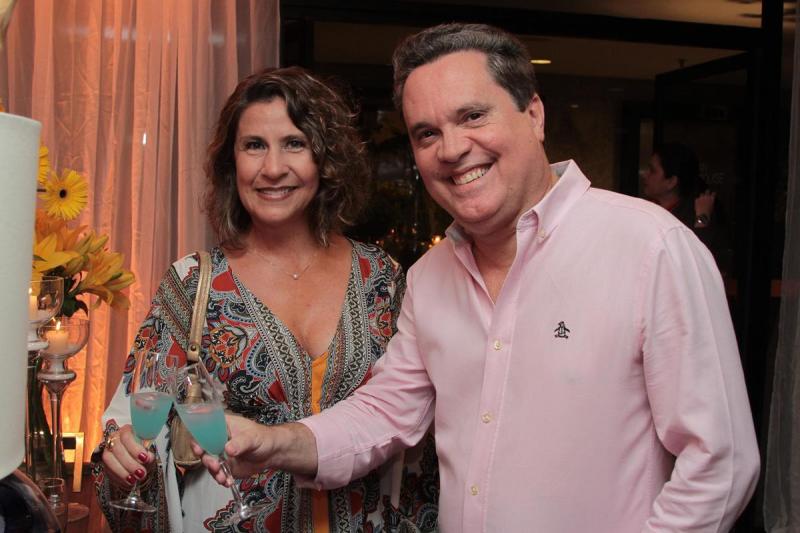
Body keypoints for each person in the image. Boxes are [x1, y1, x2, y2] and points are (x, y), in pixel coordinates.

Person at [201, 24, 760, 532]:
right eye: (426, 133)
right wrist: (272, 442)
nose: (452, 149)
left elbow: (721, 464)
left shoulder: (649, 248)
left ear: (533, 114)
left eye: (472, 116)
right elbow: (385, 412)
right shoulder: (430, 276)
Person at [91, 67, 438, 532]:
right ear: (231, 162)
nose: (273, 168)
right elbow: (136, 415)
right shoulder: (193, 283)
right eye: (254, 145)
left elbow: (417, 433)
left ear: (326, 158)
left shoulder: (381, 277)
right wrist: (122, 450)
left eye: (294, 143)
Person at [641, 142, 731, 273]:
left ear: (671, 182)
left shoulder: (694, 212)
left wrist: (702, 218)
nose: (645, 174)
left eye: (652, 171)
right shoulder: (647, 208)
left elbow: (697, 260)